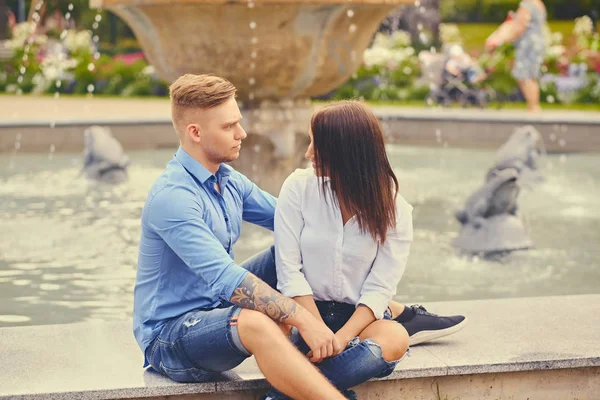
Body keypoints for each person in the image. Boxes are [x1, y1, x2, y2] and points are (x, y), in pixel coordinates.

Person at [133, 74, 466, 399]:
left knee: (292, 249)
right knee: (258, 323)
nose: (242, 133)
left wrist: (365, 208)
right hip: (172, 336)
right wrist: (306, 321)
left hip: (217, 309)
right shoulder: (173, 197)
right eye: (228, 126)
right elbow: (226, 279)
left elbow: (302, 225)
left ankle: (393, 310)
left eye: (238, 122)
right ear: (194, 132)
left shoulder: (228, 181)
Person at [486, 0, 547, 113]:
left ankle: (533, 108)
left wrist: (502, 40)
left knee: (524, 76)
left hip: (528, 45)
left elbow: (520, 27)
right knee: (531, 76)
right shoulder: (538, 3)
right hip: (536, 43)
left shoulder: (527, 4)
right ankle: (534, 107)